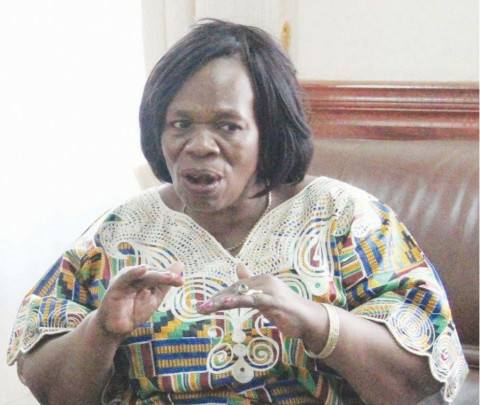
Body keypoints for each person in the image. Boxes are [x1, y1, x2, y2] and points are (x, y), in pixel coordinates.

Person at [8, 20, 467, 405]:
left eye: (228, 126)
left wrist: (316, 322)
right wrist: (102, 331)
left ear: (269, 132)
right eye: (180, 124)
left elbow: (419, 380)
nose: (199, 146)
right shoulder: (118, 234)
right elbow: (50, 389)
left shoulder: (345, 219)